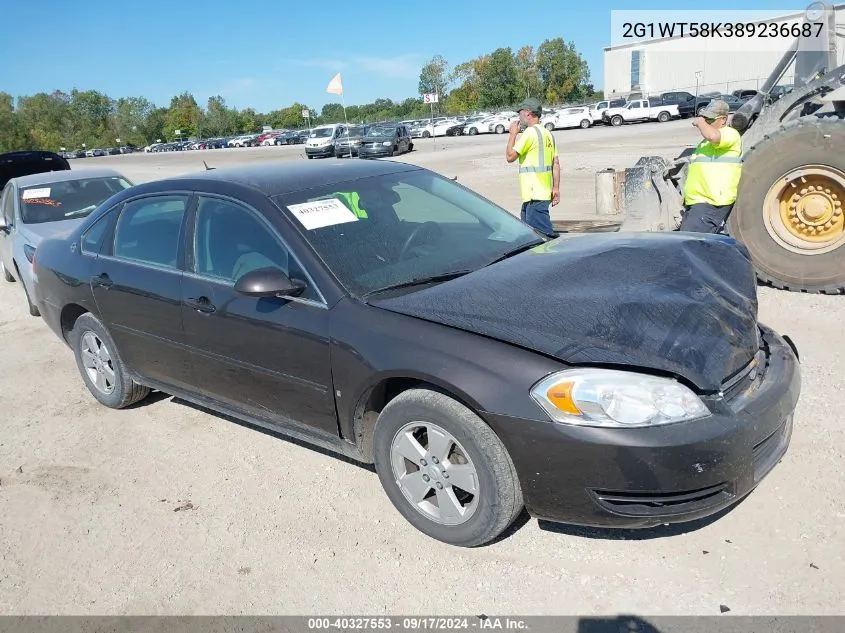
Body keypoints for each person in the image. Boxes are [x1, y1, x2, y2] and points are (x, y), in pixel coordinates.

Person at [679, 99, 743, 233]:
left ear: (723, 120)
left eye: (709, 119)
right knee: (690, 244)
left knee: (691, 246)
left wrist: (700, 122)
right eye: (704, 118)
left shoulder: (730, 134)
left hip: (711, 203)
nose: (706, 121)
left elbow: (713, 136)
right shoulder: (705, 143)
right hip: (697, 203)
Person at [505, 97, 561, 238]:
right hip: (540, 193)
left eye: (520, 113)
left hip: (534, 194)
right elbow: (556, 164)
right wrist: (556, 188)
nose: (519, 117)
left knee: (543, 237)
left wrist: (513, 134)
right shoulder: (548, 134)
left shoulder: (530, 133)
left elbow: (510, 156)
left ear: (528, 113)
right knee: (528, 235)